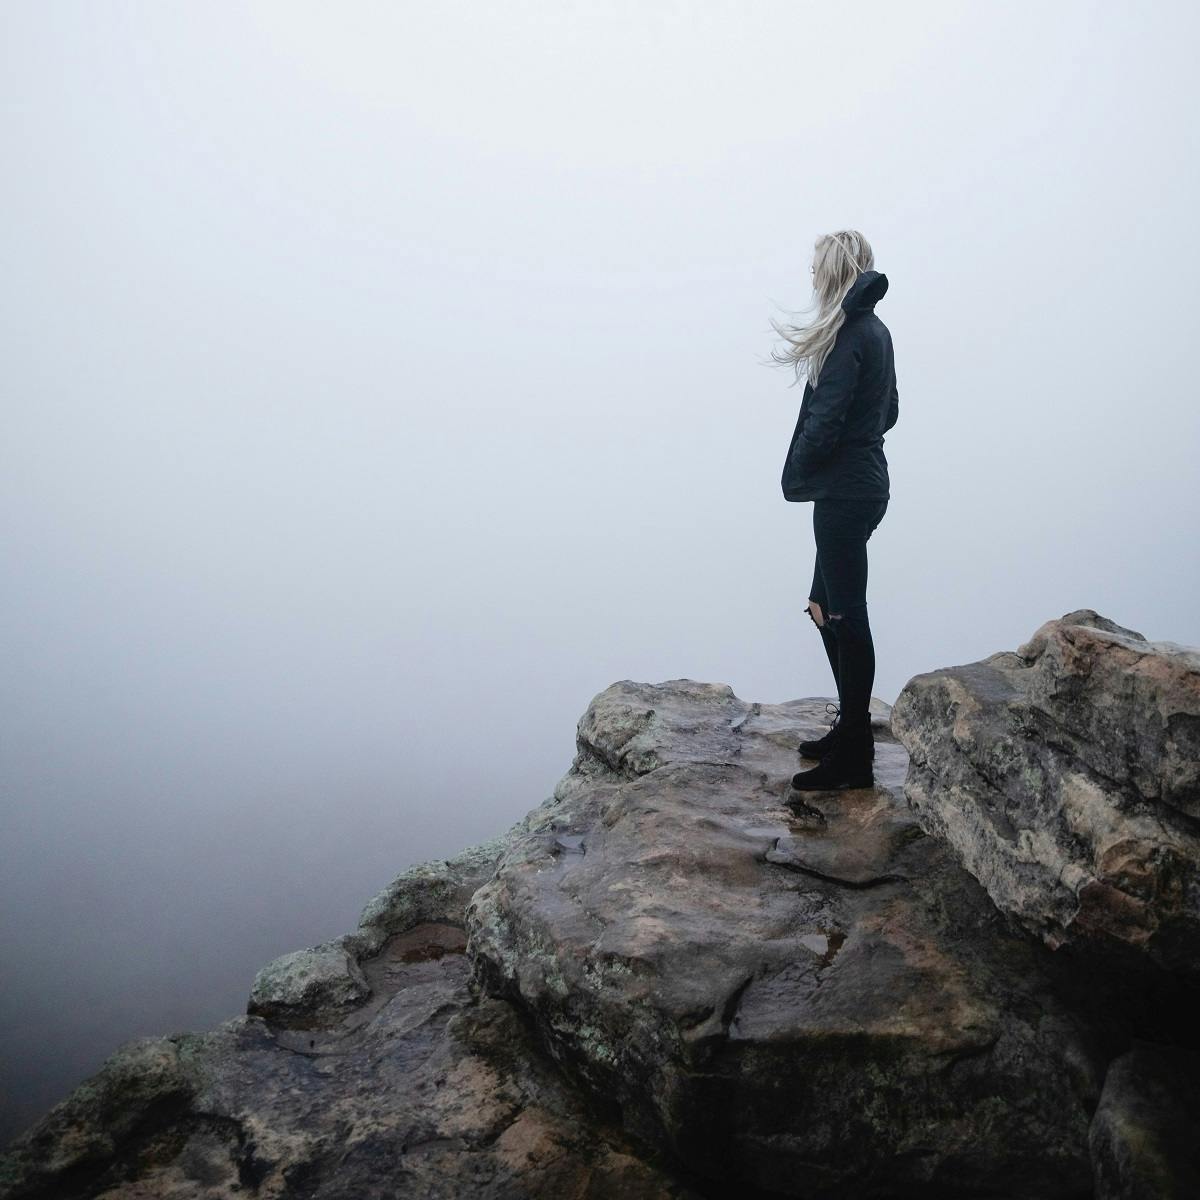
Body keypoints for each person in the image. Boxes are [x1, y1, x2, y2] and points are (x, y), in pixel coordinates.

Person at [770, 230, 898, 791]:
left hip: (846, 493)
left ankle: (856, 756)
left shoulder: (851, 332)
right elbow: (889, 409)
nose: (811, 276)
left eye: (815, 267)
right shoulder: (875, 330)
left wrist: (803, 465)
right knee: (825, 607)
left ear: (832, 270)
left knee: (846, 614)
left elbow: (827, 416)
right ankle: (849, 730)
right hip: (861, 487)